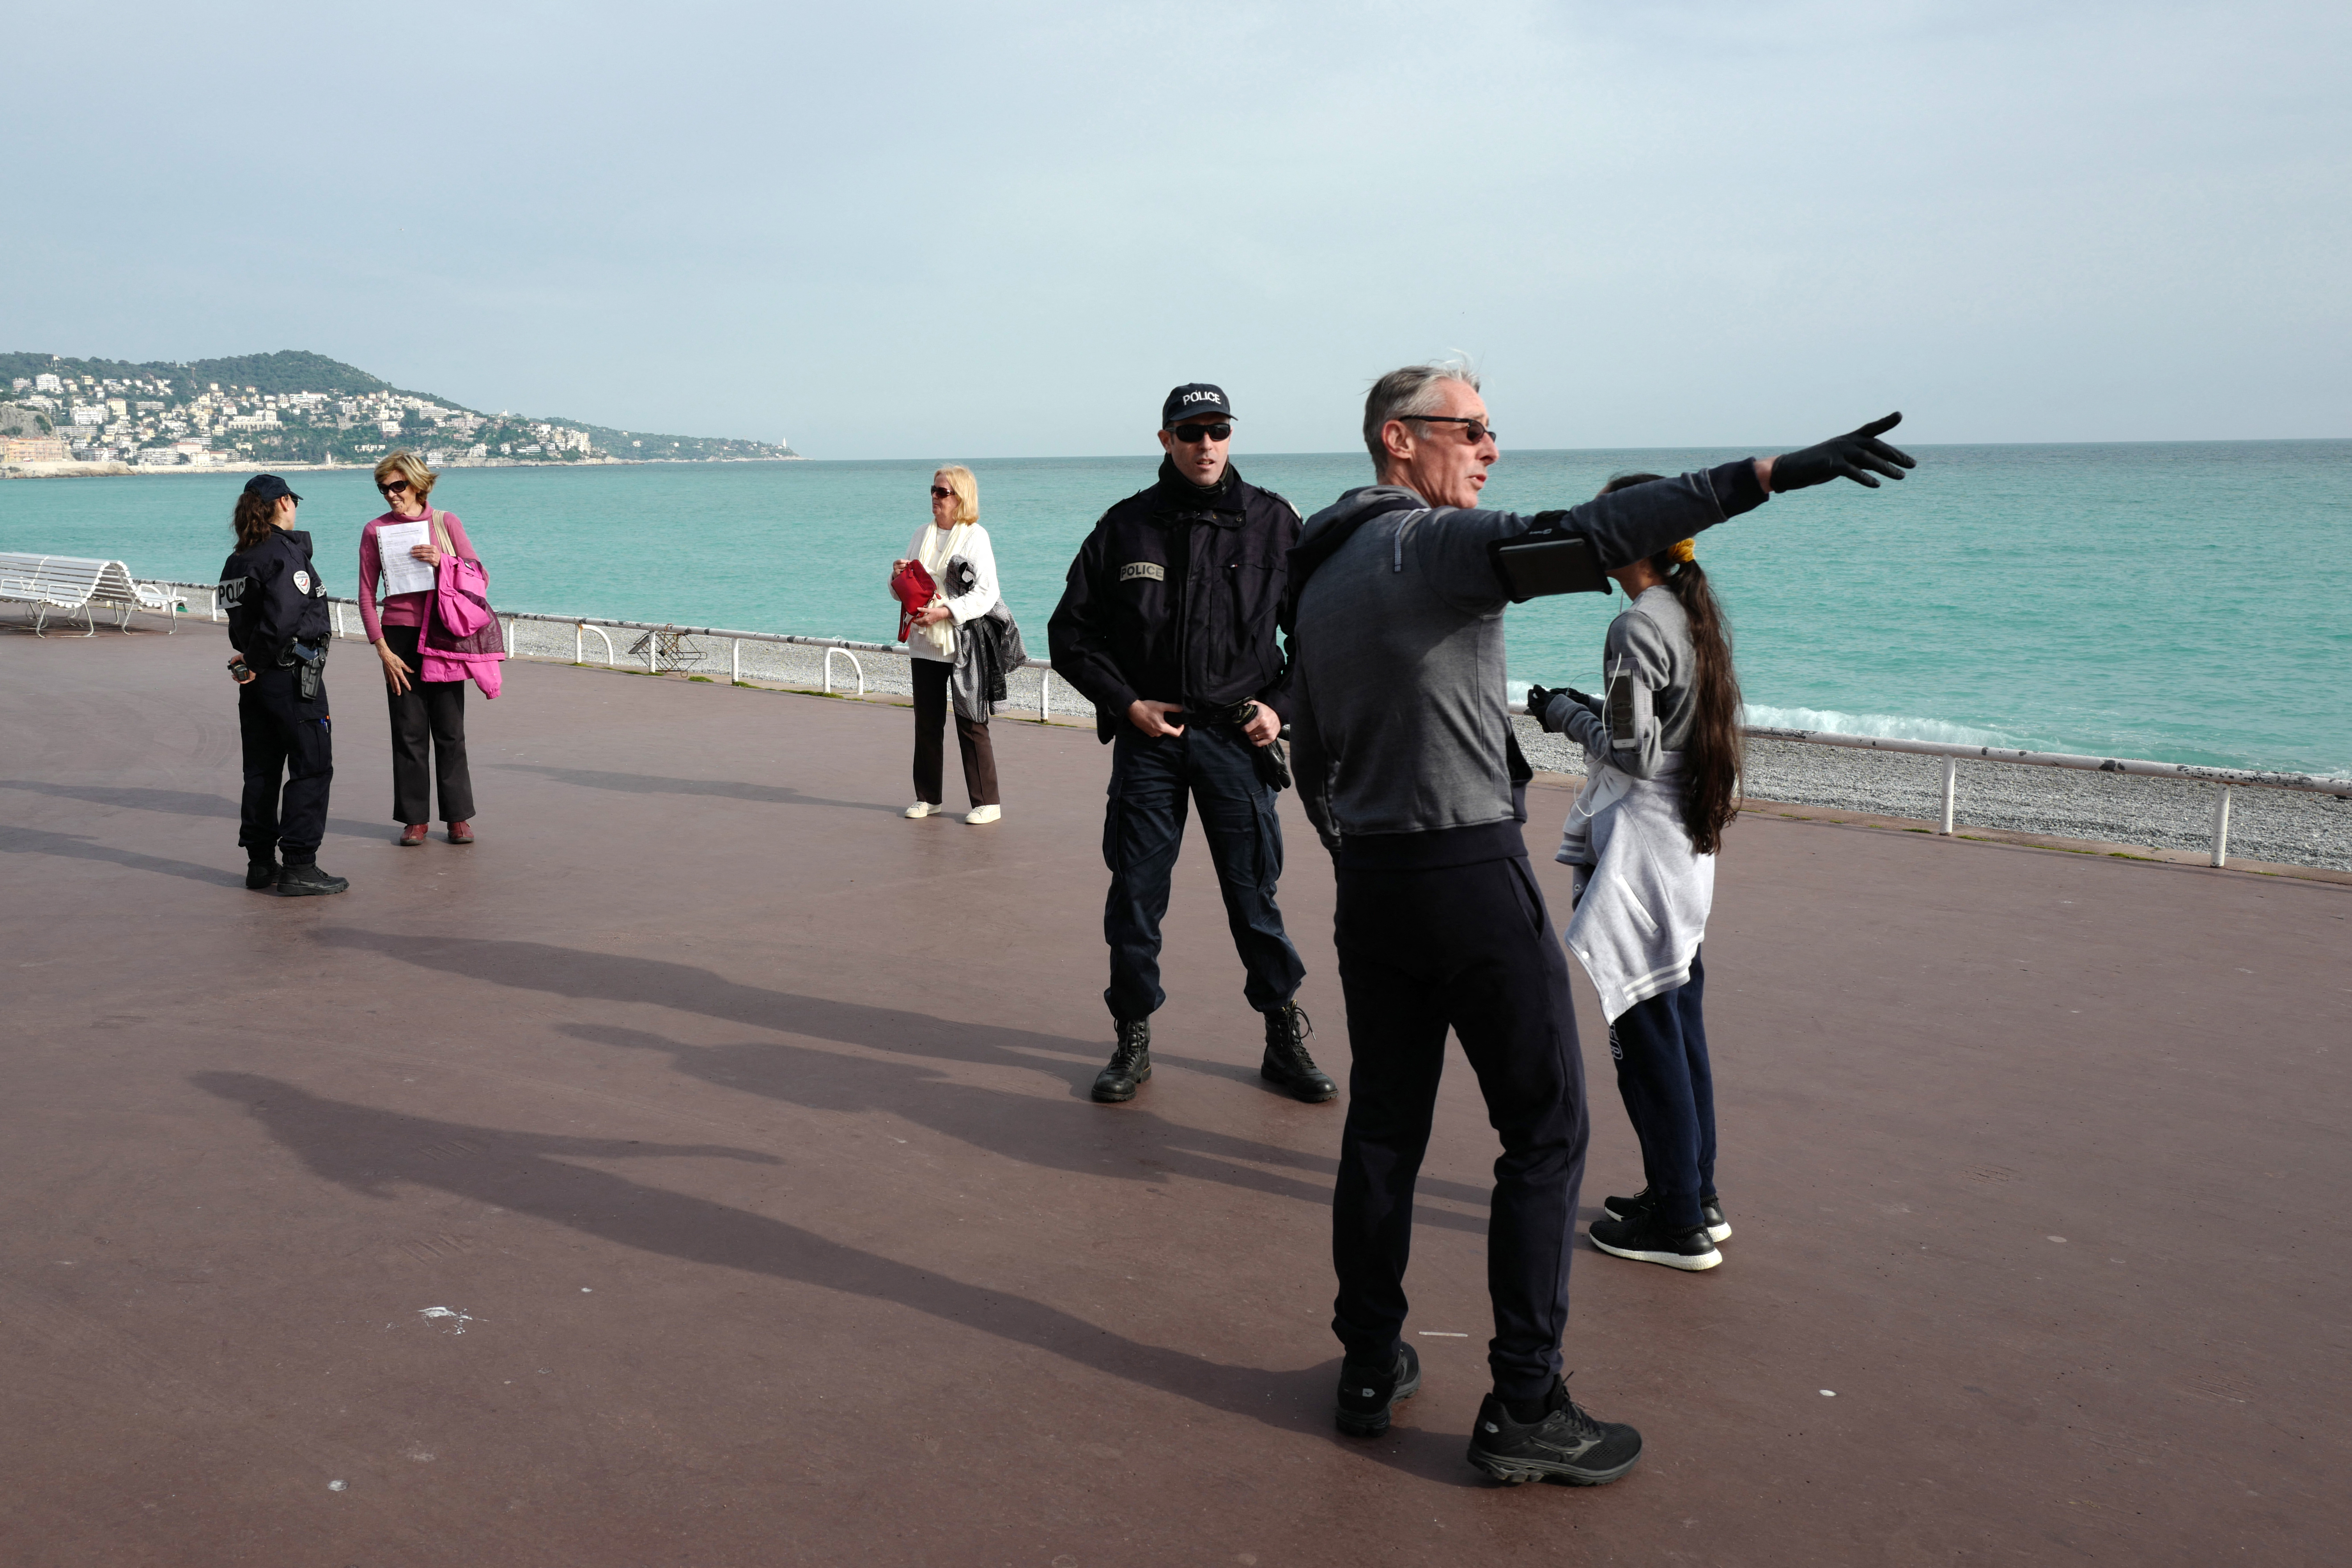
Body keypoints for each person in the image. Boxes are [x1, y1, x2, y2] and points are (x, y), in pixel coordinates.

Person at [1287, 362, 1911, 1484]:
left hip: (1374, 882)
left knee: (1385, 1126)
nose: (1487, 449)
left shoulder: (1319, 571)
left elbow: (1308, 749)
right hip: (1468, 872)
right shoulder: (1425, 544)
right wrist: (1770, 473)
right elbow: (1595, 532)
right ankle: (1525, 1400)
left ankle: (1370, 1363)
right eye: (1469, 429)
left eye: (1491, 431)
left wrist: (1356, 851)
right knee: (1545, 1129)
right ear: (1398, 439)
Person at [1047, 384, 1333, 1106]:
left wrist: (1281, 707)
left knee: (1253, 897)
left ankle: (1281, 1034)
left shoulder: (1275, 524)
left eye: (1218, 430)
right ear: (1166, 439)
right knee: (1136, 898)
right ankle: (1132, 1038)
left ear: (1231, 436)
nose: (1207, 444)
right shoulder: (1126, 528)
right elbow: (1071, 634)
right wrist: (1127, 705)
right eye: (1192, 431)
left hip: (1238, 741)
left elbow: (1319, 634)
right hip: (1152, 743)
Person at [1525, 473, 1744, 1273]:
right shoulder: (1690, 615)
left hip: (1641, 854)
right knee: (1680, 1026)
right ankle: (1692, 1193)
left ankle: (1678, 1222)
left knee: (1645, 1035)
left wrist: (1560, 713)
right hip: (1684, 849)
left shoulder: (1633, 626)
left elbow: (1629, 751)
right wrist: (1599, 708)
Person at [218, 474, 348, 897]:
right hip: (290, 674)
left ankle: (260, 863)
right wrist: (258, 659)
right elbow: (284, 617)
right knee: (311, 765)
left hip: (254, 680)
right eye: (294, 501)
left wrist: (249, 659)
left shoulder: (237, 558)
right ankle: (298, 865)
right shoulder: (283, 554)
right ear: (284, 503)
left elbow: (240, 617)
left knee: (261, 769)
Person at [358, 451, 479, 846]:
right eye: (384, 488)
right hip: (399, 637)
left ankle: (458, 817)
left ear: (418, 484)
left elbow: (479, 575)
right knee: (407, 730)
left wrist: (444, 561)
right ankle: (415, 819)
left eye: (398, 486)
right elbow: (365, 594)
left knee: (450, 728)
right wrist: (382, 648)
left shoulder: (446, 523)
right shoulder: (375, 530)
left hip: (443, 631)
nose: (391, 495)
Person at [894, 466, 1004, 825]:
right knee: (926, 722)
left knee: (971, 721)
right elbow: (902, 591)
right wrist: (897, 579)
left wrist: (945, 612)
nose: (935, 498)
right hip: (925, 642)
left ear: (961, 498)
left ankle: (987, 802)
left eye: (943, 492)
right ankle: (928, 798)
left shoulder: (976, 537)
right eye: (933, 490)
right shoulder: (920, 535)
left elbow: (987, 594)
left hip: (963, 643)